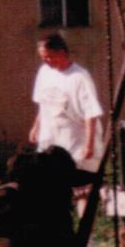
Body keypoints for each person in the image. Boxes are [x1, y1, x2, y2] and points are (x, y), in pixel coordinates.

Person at [28, 33, 105, 172]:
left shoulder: (80, 77)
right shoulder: (44, 72)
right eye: (43, 58)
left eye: (49, 57)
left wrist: (89, 145)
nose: (46, 61)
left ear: (62, 53)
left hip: (74, 139)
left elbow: (90, 113)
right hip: (50, 135)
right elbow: (44, 103)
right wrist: (36, 127)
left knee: (73, 176)